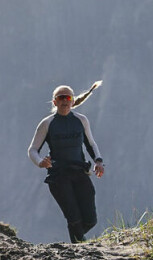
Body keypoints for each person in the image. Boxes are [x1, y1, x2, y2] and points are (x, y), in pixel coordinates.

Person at [28, 84, 105, 243]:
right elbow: (33, 149)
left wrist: (98, 161)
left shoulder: (81, 120)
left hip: (79, 172)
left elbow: (91, 144)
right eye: (61, 97)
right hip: (58, 176)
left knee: (90, 220)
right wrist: (40, 162)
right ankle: (79, 248)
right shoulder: (47, 123)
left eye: (68, 97)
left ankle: (77, 244)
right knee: (74, 218)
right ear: (54, 102)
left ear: (73, 101)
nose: (64, 100)